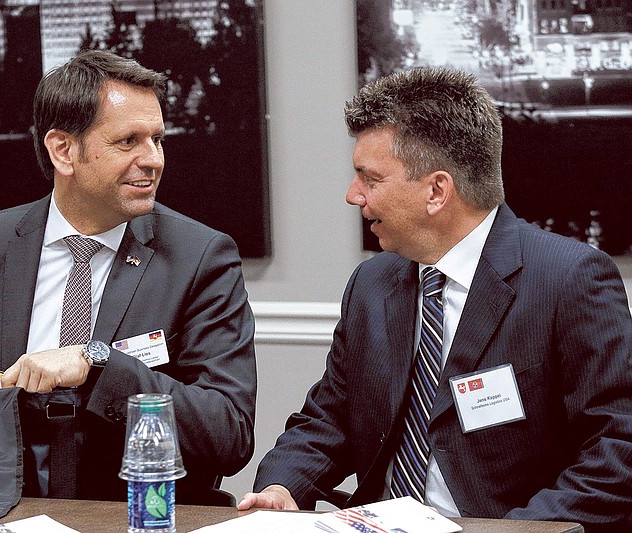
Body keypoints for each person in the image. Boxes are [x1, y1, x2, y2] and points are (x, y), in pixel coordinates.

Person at [0, 50, 256, 504]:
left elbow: (228, 433)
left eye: (157, 139)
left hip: (133, 515)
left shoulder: (201, 257)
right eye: (128, 141)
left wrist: (97, 364)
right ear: (63, 150)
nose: (153, 159)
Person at [238, 67, 632, 531]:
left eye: (370, 178)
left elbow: (617, 454)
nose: (352, 195)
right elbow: (328, 419)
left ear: (436, 191)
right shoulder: (372, 283)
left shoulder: (568, 279)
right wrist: (282, 488)